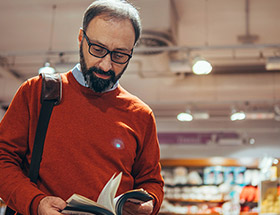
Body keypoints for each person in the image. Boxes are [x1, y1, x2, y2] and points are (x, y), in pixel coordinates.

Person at [0, 0, 164, 214]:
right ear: (80, 39)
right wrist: (36, 203)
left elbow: (152, 182)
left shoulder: (141, 114)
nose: (106, 65)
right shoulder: (37, 92)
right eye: (97, 49)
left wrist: (149, 204)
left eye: (120, 55)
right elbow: (2, 159)